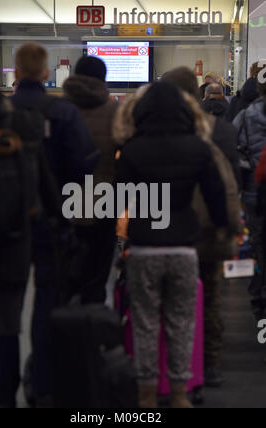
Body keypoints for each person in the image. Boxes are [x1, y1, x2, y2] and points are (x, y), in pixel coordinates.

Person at [0, 43, 99, 408]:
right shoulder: (62, 112)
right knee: (47, 306)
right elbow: (84, 168)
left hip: (5, 228)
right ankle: (42, 385)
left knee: (6, 312)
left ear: (16, 72)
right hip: (52, 223)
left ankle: (4, 392)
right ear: (45, 72)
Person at [116, 80, 228, 409]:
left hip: (144, 247)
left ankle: (147, 393)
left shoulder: (133, 148)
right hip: (183, 248)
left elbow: (121, 197)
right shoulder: (198, 147)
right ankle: (180, 393)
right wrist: (221, 227)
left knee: (146, 323)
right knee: (182, 322)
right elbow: (216, 194)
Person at [0, 50, 61, 409]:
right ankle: (8, 396)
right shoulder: (18, 122)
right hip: (9, 248)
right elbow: (45, 187)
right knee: (3, 329)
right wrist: (58, 227)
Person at [162, 67, 241, 388]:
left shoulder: (158, 131)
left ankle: (176, 366)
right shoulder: (221, 131)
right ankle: (209, 364)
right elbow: (231, 181)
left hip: (168, 230)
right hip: (210, 226)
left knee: (169, 300)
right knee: (210, 297)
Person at [63, 56, 118, 304]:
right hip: (104, 200)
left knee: (65, 266)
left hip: (64, 199)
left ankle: (64, 326)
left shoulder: (58, 109)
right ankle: (92, 322)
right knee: (98, 264)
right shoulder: (115, 110)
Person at [234, 65, 266, 321]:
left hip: (255, 194)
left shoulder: (244, 117)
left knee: (258, 244)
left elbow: (234, 153)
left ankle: (259, 295)